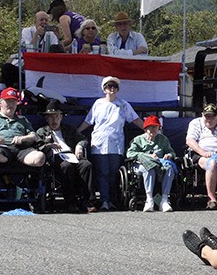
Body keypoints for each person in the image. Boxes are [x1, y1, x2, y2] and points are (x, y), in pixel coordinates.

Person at [77, 76, 144, 211]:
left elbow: (136, 119)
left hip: (116, 143)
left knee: (113, 173)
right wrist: (77, 132)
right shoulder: (98, 104)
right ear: (104, 89)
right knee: (102, 173)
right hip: (99, 143)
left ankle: (113, 201)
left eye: (114, 86)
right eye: (109, 86)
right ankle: (104, 201)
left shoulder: (123, 104)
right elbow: (88, 121)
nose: (111, 89)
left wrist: (149, 130)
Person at [36, 99, 94, 213]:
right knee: (66, 166)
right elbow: (38, 146)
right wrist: (48, 146)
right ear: (47, 118)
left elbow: (83, 139)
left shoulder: (69, 129)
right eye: (51, 117)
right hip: (56, 158)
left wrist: (79, 146)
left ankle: (88, 201)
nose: (55, 120)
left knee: (87, 165)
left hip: (72, 154)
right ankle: (70, 202)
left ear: (61, 117)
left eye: (57, 116)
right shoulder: (42, 131)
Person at [126, 115, 176, 212]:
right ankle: (149, 200)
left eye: (156, 127)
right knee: (149, 168)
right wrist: (148, 156)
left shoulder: (163, 139)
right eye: (151, 127)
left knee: (169, 168)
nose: (153, 130)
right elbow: (130, 153)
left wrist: (168, 155)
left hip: (160, 164)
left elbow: (172, 152)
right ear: (145, 129)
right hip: (141, 165)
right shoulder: (138, 140)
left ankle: (164, 200)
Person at [0, 87, 46, 168]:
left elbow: (34, 136)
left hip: (21, 148)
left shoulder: (22, 119)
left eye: (13, 101)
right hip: (1, 148)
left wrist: (23, 138)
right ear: (0, 103)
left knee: (40, 158)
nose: (11, 104)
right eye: (8, 101)